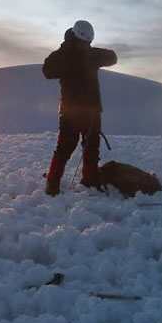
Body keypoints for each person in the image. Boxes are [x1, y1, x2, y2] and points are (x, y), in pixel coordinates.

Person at [42, 20, 117, 196]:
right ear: (75, 38)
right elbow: (47, 70)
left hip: (93, 111)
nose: (86, 46)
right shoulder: (62, 55)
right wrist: (70, 60)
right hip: (71, 112)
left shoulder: (91, 54)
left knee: (92, 147)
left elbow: (113, 57)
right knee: (65, 147)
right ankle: (52, 182)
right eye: (83, 43)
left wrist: (92, 56)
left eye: (88, 43)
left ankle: (90, 180)